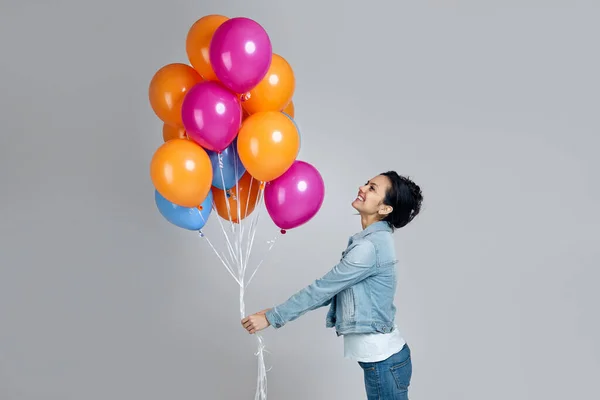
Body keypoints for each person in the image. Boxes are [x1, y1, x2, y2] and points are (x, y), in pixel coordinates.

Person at [241, 171, 423, 400]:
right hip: (386, 361)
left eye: (372, 188)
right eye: (367, 182)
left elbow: (323, 288)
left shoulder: (369, 248)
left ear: (385, 209)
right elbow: (333, 289)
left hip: (384, 362)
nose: (362, 187)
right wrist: (275, 313)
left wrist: (272, 317)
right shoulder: (373, 241)